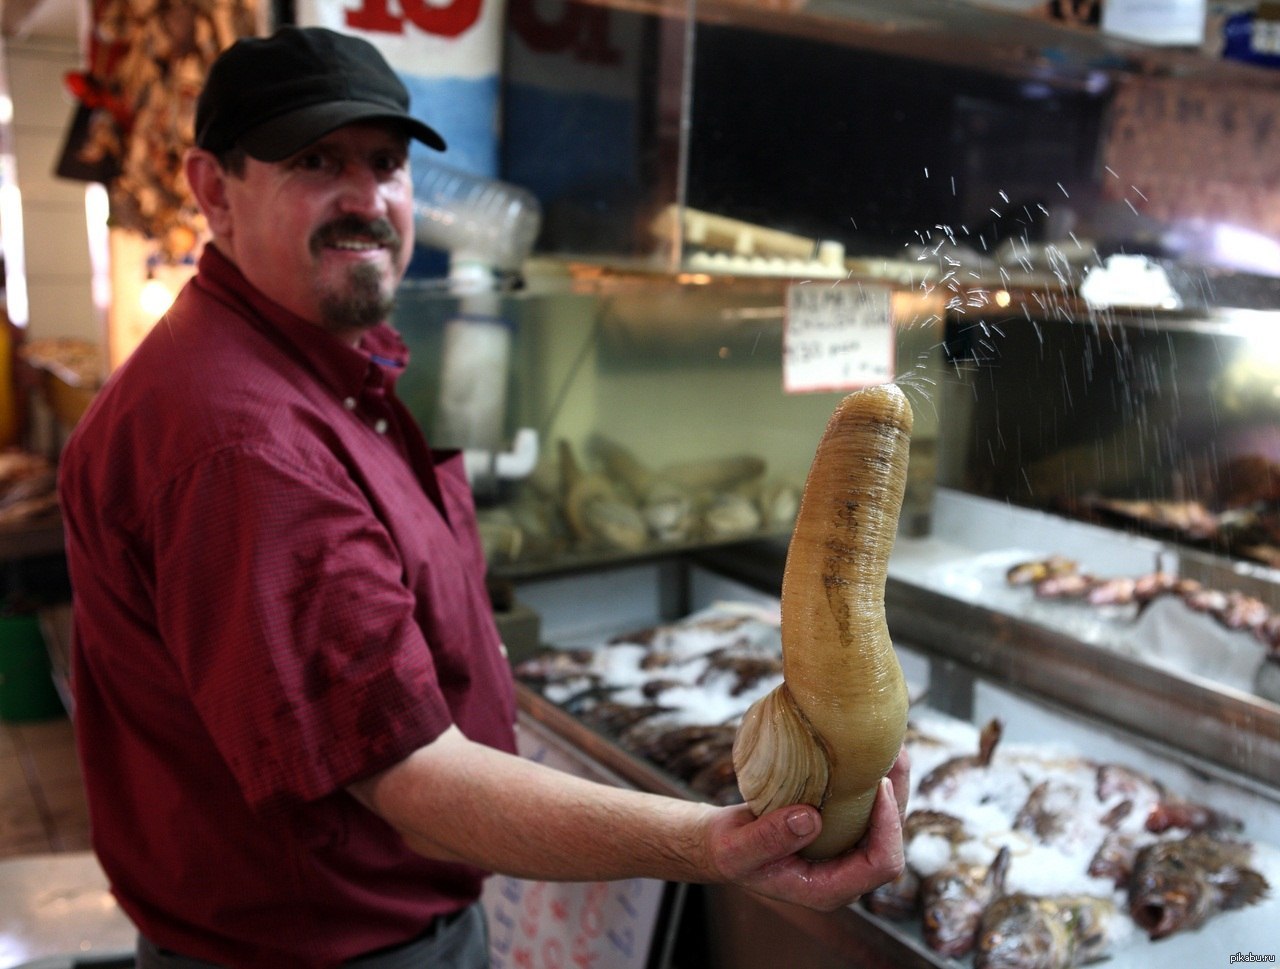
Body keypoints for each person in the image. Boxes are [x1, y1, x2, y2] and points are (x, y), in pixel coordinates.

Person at [58, 25, 909, 969]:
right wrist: (714, 843)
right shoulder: (242, 439)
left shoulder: (319, 370)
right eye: (314, 161)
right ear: (213, 189)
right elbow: (415, 784)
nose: (367, 198)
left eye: (386, 163)